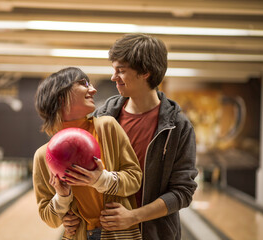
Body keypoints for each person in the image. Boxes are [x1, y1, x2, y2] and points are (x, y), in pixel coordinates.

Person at [63, 34, 198, 239]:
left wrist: (133, 217)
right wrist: (71, 213)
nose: (113, 77)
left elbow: (182, 192)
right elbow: (84, 175)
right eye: (114, 69)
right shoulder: (102, 116)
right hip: (103, 232)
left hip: (153, 234)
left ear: (145, 72)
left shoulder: (178, 127)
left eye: (121, 71)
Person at [33, 67, 143, 240]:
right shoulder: (42, 156)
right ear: (61, 96)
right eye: (83, 83)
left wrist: (101, 180)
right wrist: (62, 197)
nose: (93, 89)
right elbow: (50, 219)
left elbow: (135, 178)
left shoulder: (107, 128)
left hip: (120, 234)